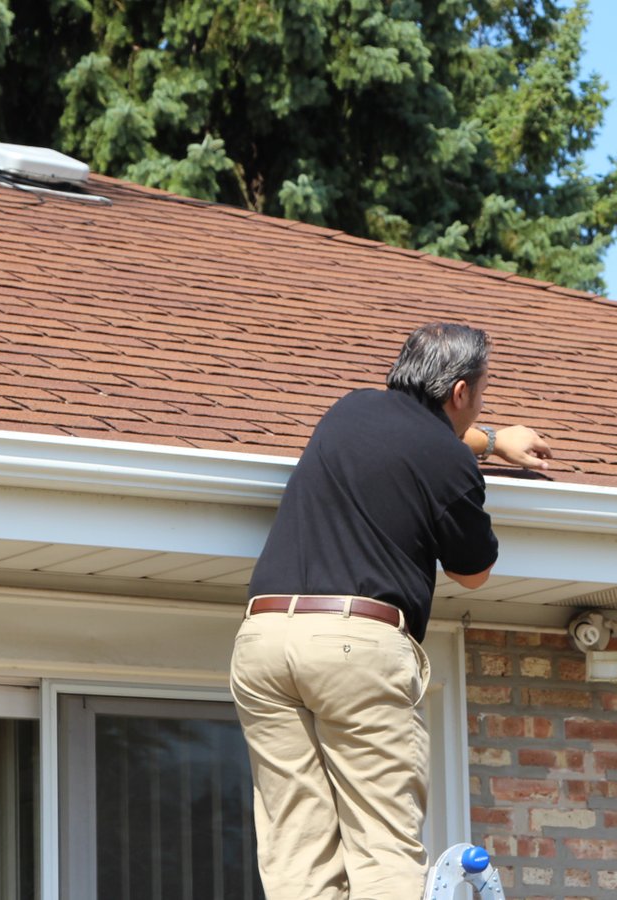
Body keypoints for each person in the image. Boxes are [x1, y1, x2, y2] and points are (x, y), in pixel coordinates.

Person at [231, 323, 551, 900]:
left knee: (295, 847)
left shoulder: (349, 410)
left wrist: (490, 437)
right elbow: (472, 573)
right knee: (382, 843)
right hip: (354, 644)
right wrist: (480, 451)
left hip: (263, 640)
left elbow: (426, 435)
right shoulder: (451, 466)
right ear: (459, 393)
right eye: (480, 394)